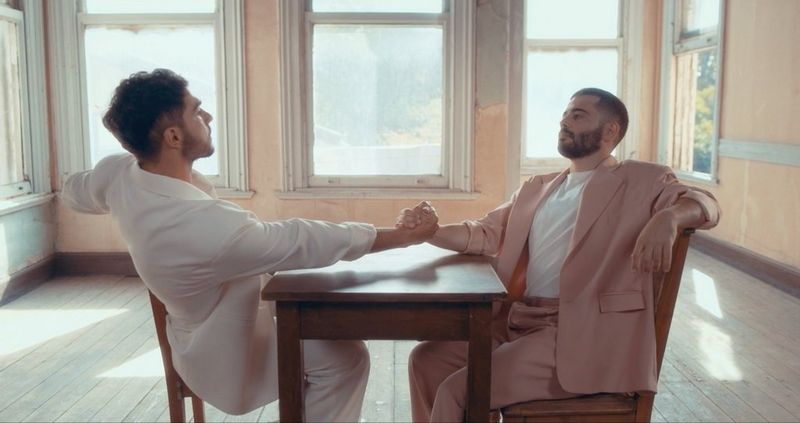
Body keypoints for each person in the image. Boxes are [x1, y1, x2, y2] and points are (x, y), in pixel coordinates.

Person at [61, 68, 439, 421]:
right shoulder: (203, 227)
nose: (208, 118)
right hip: (224, 356)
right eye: (197, 111)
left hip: (202, 327)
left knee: (337, 344)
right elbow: (301, 238)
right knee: (345, 357)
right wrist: (402, 237)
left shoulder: (120, 172)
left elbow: (74, 190)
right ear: (174, 137)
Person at [399, 88, 721, 422]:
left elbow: (707, 204)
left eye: (578, 116)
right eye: (565, 115)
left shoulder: (642, 179)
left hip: (579, 333)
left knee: (459, 390)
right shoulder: (538, 187)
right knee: (427, 360)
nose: (564, 122)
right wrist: (430, 232)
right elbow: (484, 233)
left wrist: (669, 217)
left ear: (611, 131)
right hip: (515, 320)